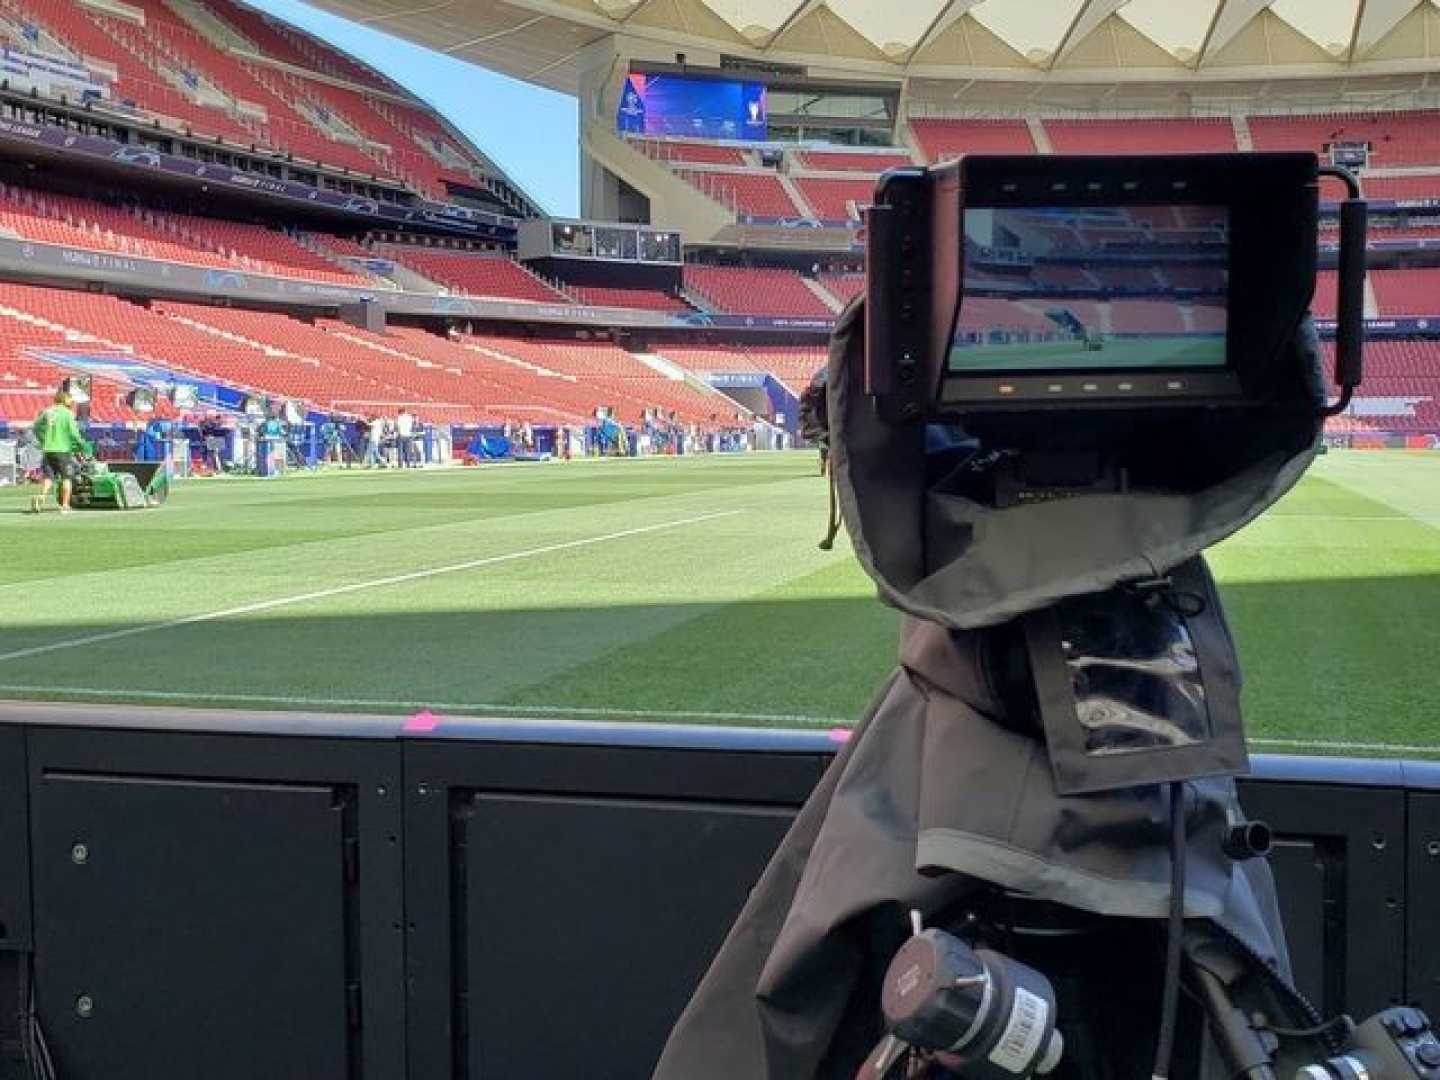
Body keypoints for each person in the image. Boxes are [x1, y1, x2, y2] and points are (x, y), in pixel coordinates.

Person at [28, 389, 89, 514]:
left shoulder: (47, 412)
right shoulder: (68, 414)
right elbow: (74, 433)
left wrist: (43, 439)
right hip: (62, 451)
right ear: (65, 400)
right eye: (70, 399)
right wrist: (82, 445)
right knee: (67, 478)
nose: (71, 401)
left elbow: (36, 427)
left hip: (48, 450)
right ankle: (65, 505)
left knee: (49, 478)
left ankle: (42, 497)